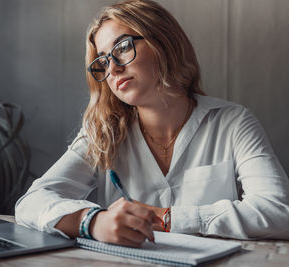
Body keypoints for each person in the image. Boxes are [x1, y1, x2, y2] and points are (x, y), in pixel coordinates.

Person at [15, 0, 289, 247]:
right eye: (103, 61)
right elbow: (31, 203)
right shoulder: (103, 131)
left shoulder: (232, 122)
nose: (113, 69)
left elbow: (279, 212)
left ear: (164, 43)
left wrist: (165, 218)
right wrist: (94, 221)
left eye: (122, 48)